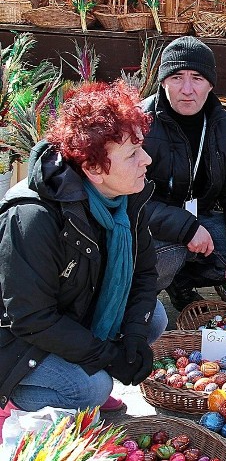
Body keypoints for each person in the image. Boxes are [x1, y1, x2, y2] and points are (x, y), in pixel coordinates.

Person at [0, 82, 168, 441]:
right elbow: (31, 318)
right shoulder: (34, 217)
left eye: (141, 147)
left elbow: (143, 274)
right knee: (89, 388)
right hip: (16, 341)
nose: (147, 160)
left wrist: (135, 338)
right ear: (93, 167)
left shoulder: (125, 199)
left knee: (153, 318)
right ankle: (18, 402)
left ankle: (81, 374)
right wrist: (107, 356)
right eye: (132, 153)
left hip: (70, 313)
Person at [142, 36, 226, 312]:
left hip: (197, 218)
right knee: (168, 254)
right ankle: (137, 303)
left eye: (197, 78)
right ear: (162, 81)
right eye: (176, 77)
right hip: (147, 226)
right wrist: (185, 227)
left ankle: (180, 283)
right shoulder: (141, 124)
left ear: (210, 84)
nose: (187, 89)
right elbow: (126, 200)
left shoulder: (225, 127)